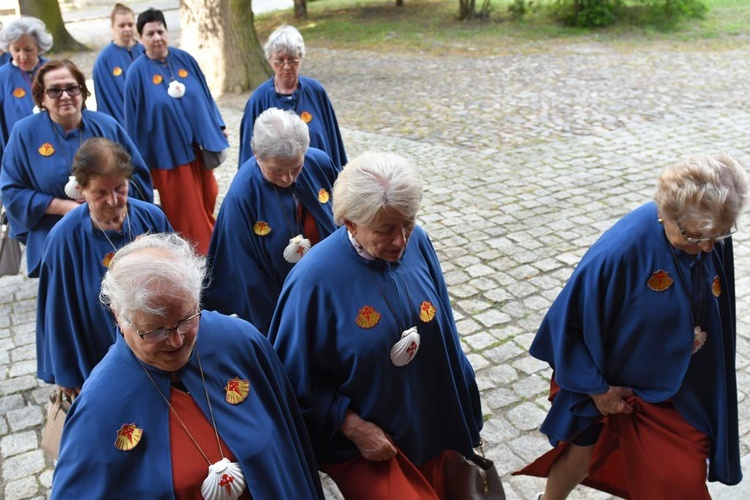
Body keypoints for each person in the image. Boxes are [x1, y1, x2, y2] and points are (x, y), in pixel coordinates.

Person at [516, 154, 748, 499]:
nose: (707, 248)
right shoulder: (620, 251)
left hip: (678, 391)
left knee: (681, 478)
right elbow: (566, 327)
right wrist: (599, 391)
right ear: (664, 213)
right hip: (610, 386)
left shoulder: (707, 230)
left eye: (719, 235)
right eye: (696, 237)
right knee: (580, 458)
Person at [268, 152, 483, 498]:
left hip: (431, 425)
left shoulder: (418, 243)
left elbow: (446, 333)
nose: (400, 241)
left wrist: (466, 407)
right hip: (372, 448)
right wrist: (351, 427)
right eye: (385, 230)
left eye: (407, 223)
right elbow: (290, 379)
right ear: (350, 222)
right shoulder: (313, 281)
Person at [51, 233, 324, 499]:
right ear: (119, 316)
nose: (176, 341)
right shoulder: (98, 405)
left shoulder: (241, 342)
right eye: (156, 331)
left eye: (186, 319)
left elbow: (291, 448)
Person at [36, 138, 171, 396]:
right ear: (81, 189)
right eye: (100, 193)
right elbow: (57, 312)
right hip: (97, 347)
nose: (112, 200)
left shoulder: (152, 217)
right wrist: (66, 372)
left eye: (120, 188)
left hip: (156, 347)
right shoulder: (64, 238)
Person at [0, 59, 153, 277]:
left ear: (82, 91)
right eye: (54, 91)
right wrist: (62, 207)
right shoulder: (24, 133)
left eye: (72, 88)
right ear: (42, 97)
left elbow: (138, 176)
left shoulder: (107, 125)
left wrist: (109, 198)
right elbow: (11, 191)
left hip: (112, 231)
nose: (65, 95)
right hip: (55, 237)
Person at [205, 108, 337, 333]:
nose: (287, 178)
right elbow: (246, 275)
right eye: (277, 171)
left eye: (296, 168)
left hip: (331, 290)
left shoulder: (319, 163)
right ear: (256, 154)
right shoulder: (241, 197)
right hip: (281, 305)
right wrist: (285, 322)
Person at [124, 8, 228, 255]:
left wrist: (219, 125)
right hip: (165, 153)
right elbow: (133, 119)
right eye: (150, 34)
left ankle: (206, 240)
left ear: (167, 32)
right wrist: (137, 160)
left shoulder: (185, 59)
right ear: (141, 39)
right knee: (185, 205)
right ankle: (202, 251)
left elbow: (204, 94)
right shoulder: (136, 73)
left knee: (209, 193)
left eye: (160, 31)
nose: (157, 37)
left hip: (198, 146)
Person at [238, 25, 347, 170]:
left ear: (301, 58)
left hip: (317, 180)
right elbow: (249, 156)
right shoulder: (258, 100)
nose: (286, 66)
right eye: (280, 60)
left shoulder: (316, 92)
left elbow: (334, 144)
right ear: (270, 60)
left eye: (292, 60)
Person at [0, 17, 52, 159]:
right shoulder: (3, 77)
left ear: (39, 47)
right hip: (20, 150)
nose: (22, 56)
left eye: (28, 49)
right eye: (16, 50)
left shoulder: (53, 70)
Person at [92, 3, 145, 123]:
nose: (127, 29)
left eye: (130, 24)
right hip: (122, 123)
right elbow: (105, 100)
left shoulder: (145, 51)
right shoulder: (104, 60)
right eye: (121, 25)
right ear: (113, 27)